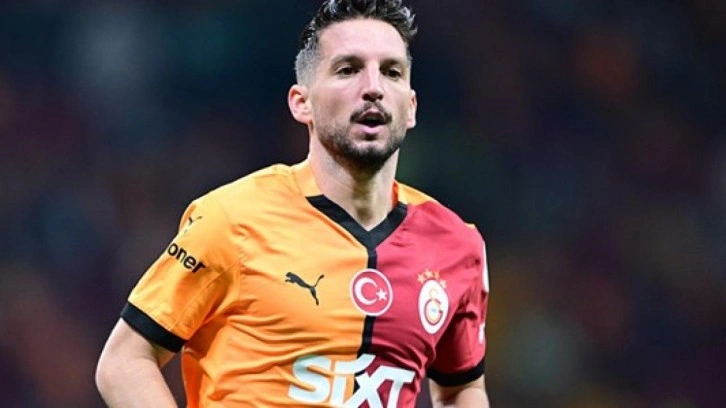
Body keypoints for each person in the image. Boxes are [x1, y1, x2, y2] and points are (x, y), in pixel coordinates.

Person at [95, 0, 491, 406]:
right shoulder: (232, 219)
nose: (373, 87)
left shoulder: (457, 245)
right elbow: (124, 360)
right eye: (348, 69)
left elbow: (461, 388)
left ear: (410, 108)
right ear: (302, 103)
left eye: (391, 72)